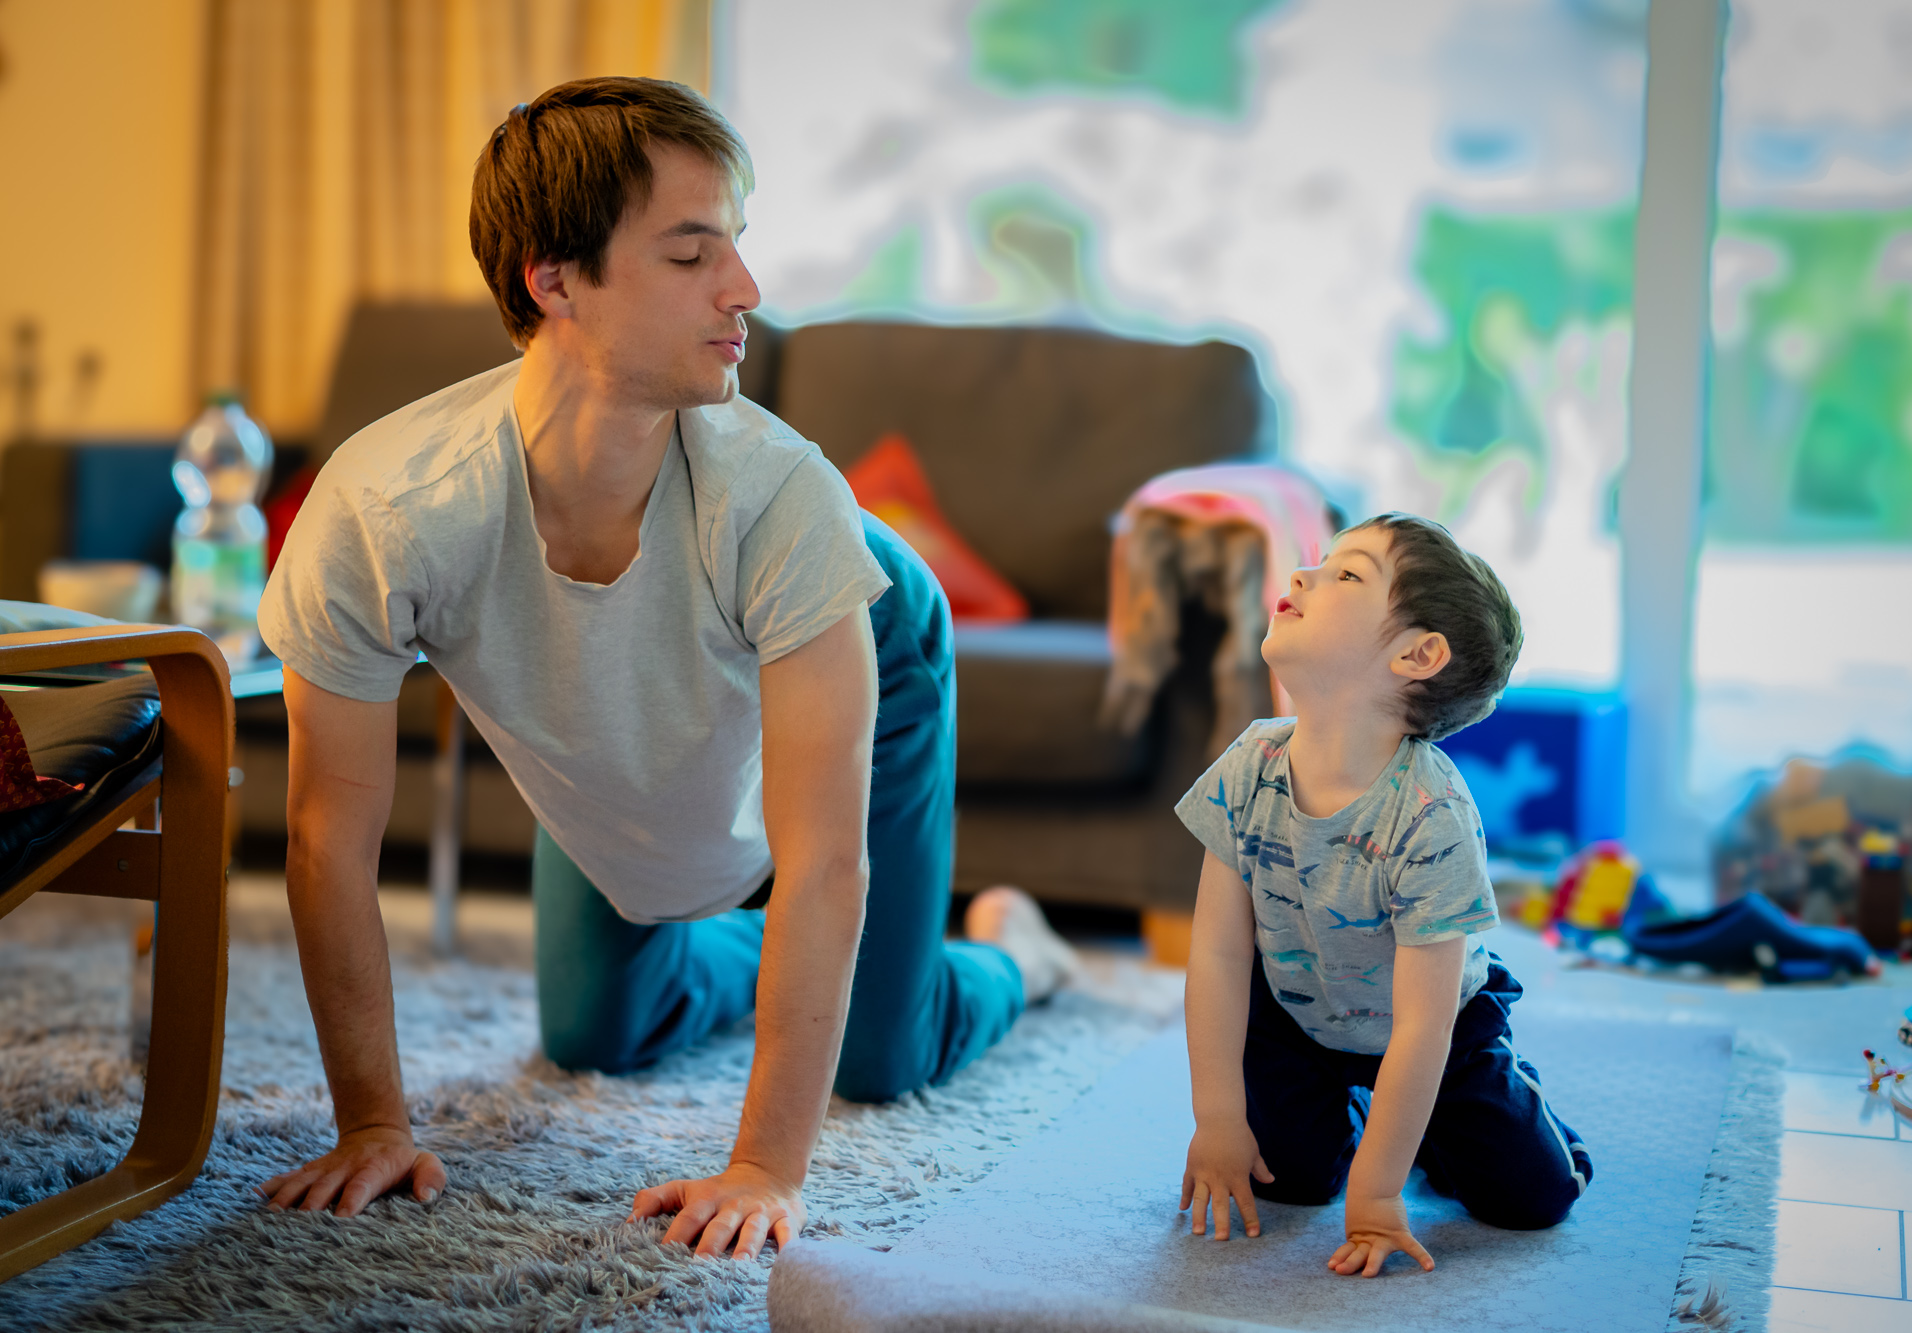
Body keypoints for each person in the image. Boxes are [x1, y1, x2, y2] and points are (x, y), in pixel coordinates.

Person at [252, 76, 1075, 1259]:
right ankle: (749, 955)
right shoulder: (388, 507)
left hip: (867, 639)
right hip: (618, 699)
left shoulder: (782, 494)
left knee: (882, 1054)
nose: (744, 290)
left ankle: (1013, 954)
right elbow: (328, 837)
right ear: (553, 280)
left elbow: (824, 859)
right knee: (598, 1034)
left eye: (735, 245)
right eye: (692, 254)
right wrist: (372, 1122)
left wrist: (761, 1167)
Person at [1174, 514, 1592, 1276]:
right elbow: (1219, 953)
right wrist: (1218, 1118)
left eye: (1348, 574)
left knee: (1536, 1198)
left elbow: (1425, 1025)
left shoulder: (1431, 813)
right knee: (1292, 1184)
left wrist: (1378, 1189)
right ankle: (1379, 1114)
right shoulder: (1247, 767)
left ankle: (1439, 1119)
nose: (1304, 575)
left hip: (1437, 1029)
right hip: (1299, 1011)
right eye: (1321, 562)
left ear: (1417, 653)